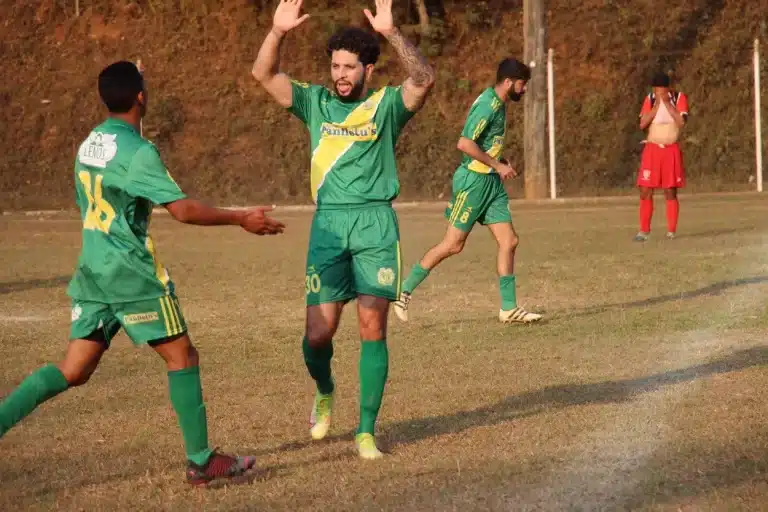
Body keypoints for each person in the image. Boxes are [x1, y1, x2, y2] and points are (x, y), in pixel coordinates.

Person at [0, 61, 285, 486]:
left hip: (94, 268)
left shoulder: (90, 143)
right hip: (129, 272)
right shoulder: (139, 152)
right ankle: (201, 460)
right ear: (140, 97)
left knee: (73, 369)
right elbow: (184, 210)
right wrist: (240, 217)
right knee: (182, 357)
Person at [252, 0, 435, 459]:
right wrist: (277, 33)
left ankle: (366, 431)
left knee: (372, 326)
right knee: (318, 335)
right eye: (335, 66)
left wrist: (392, 34)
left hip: (375, 225)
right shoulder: (314, 102)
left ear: (368, 70)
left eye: (349, 67)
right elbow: (264, 76)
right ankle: (325, 389)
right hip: (329, 227)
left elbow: (423, 80)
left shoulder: (386, 104)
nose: (340, 75)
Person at [394, 58, 542, 325]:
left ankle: (508, 308)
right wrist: (496, 164)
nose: (524, 89)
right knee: (453, 245)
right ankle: (403, 291)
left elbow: (485, 142)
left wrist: (500, 160)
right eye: (522, 84)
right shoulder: (487, 106)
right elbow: (464, 143)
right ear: (508, 83)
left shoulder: (499, 104)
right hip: (473, 182)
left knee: (509, 242)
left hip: (491, 184)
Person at [635, 71, 689, 241]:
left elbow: (681, 122)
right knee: (645, 190)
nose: (659, 94)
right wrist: (657, 105)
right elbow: (643, 123)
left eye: (662, 91)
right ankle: (644, 231)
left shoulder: (679, 98)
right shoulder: (650, 99)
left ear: (669, 88)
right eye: (657, 90)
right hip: (652, 150)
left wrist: (668, 104)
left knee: (670, 191)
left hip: (670, 150)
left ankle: (671, 231)